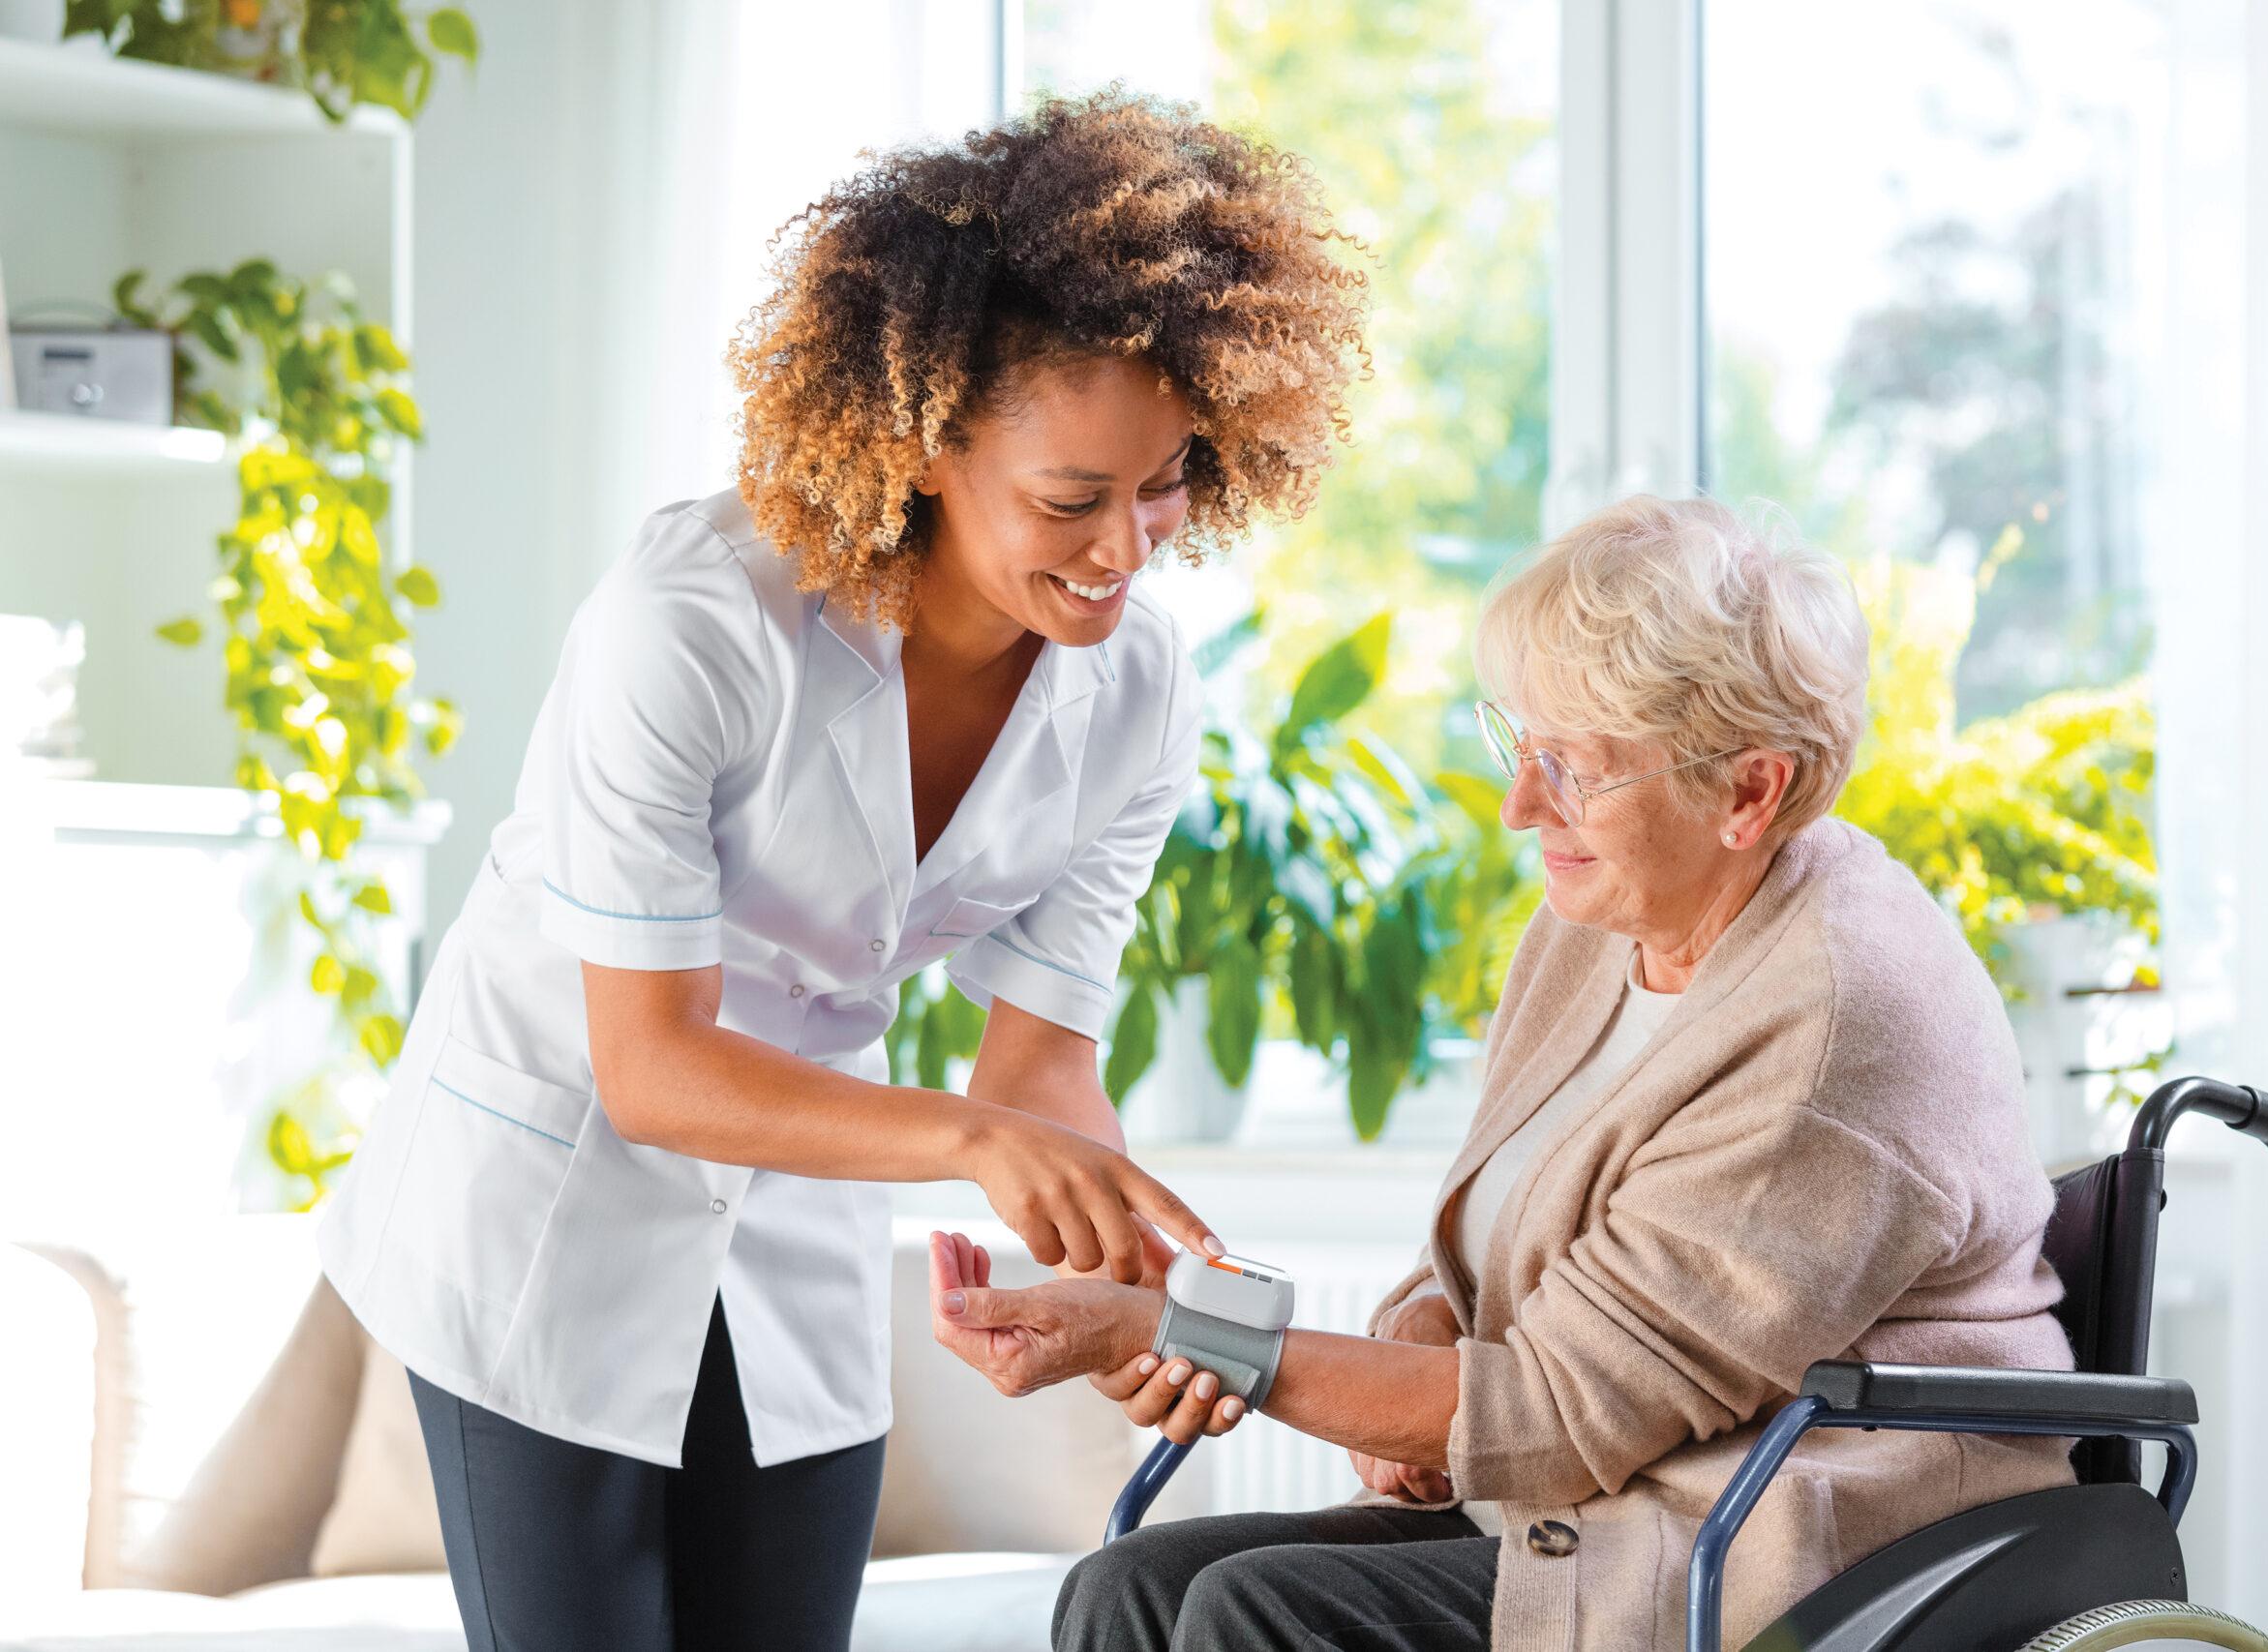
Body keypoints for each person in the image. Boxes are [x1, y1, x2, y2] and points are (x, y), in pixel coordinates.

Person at [313, 90, 1368, 1652]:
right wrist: (978, 1142)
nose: (1128, 549)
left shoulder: (1139, 694)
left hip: (793, 1219)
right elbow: (653, 1065)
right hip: (543, 1202)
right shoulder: (695, 624)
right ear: (928, 440)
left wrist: (1130, 1274)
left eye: (1169, 482)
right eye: (1071, 499)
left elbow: (1043, 1065)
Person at [925, 495, 2083, 1651]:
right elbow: (1498, 1262)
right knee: (1130, 1584)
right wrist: (1421, 1329)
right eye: (1519, 744)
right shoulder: (1598, 927)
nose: (1522, 804)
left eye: (1575, 768)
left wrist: (1174, 1333)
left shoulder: (1834, 1022)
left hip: (1772, 1551)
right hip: (1582, 1514)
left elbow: (1558, 1412)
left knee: (1254, 1614)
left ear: (1749, 791)